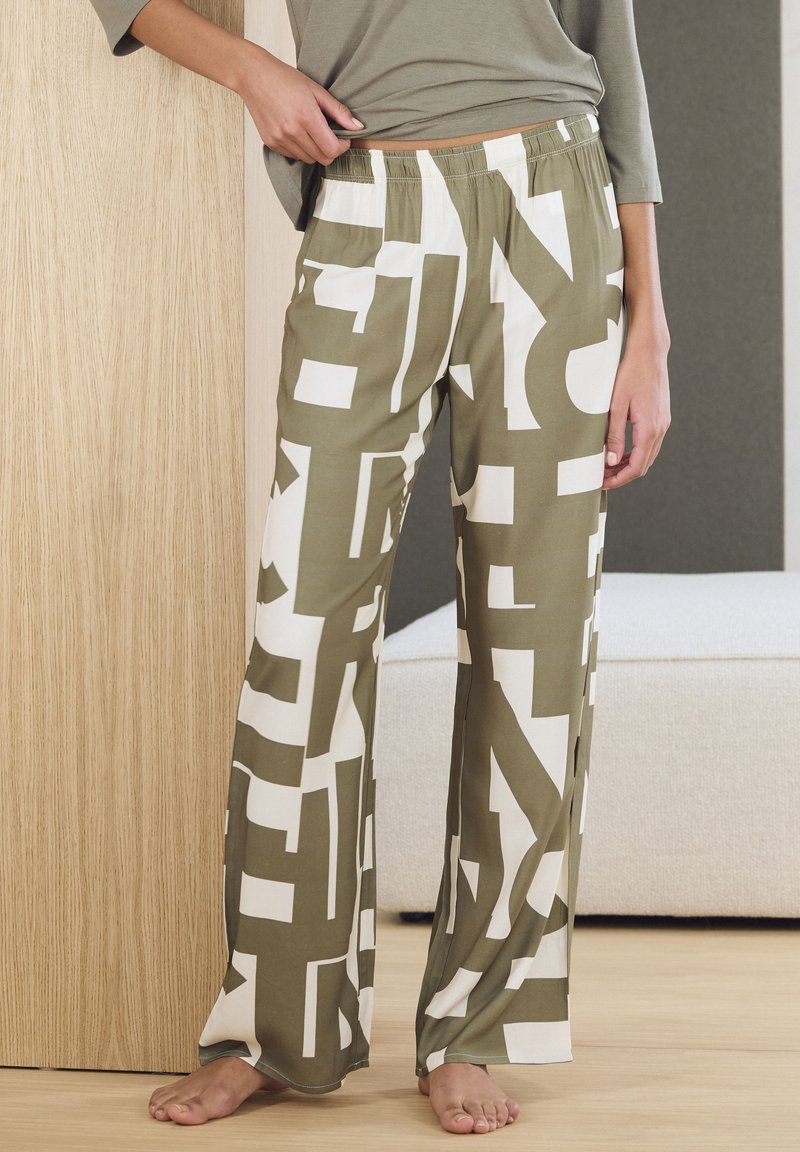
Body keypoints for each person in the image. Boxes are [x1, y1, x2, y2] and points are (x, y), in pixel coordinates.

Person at [88, 0, 671, 1134]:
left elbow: (614, 53)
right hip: (369, 198)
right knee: (301, 633)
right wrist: (250, 71)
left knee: (535, 649)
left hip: (556, 212)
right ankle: (275, 1024)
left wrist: (648, 321)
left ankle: (474, 1026)